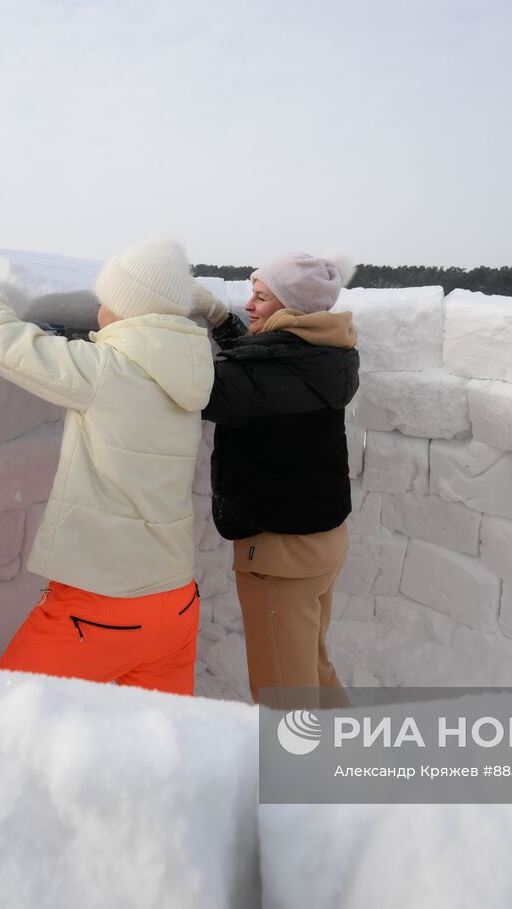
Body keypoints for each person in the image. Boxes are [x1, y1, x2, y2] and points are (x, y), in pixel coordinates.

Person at [0, 238, 214, 696]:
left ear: (129, 310)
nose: (97, 312)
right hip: (175, 606)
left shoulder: (105, 372)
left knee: (3, 720)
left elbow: (0, 339)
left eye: (106, 301)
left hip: (102, 610)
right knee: (152, 755)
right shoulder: (186, 376)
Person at [192, 252, 359, 706]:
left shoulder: (263, 375)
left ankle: (304, 778)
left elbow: (194, 382)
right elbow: (263, 364)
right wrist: (223, 321)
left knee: (284, 699)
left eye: (261, 297)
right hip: (324, 544)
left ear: (290, 310)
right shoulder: (327, 353)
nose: (249, 305)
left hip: (281, 558)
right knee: (314, 670)